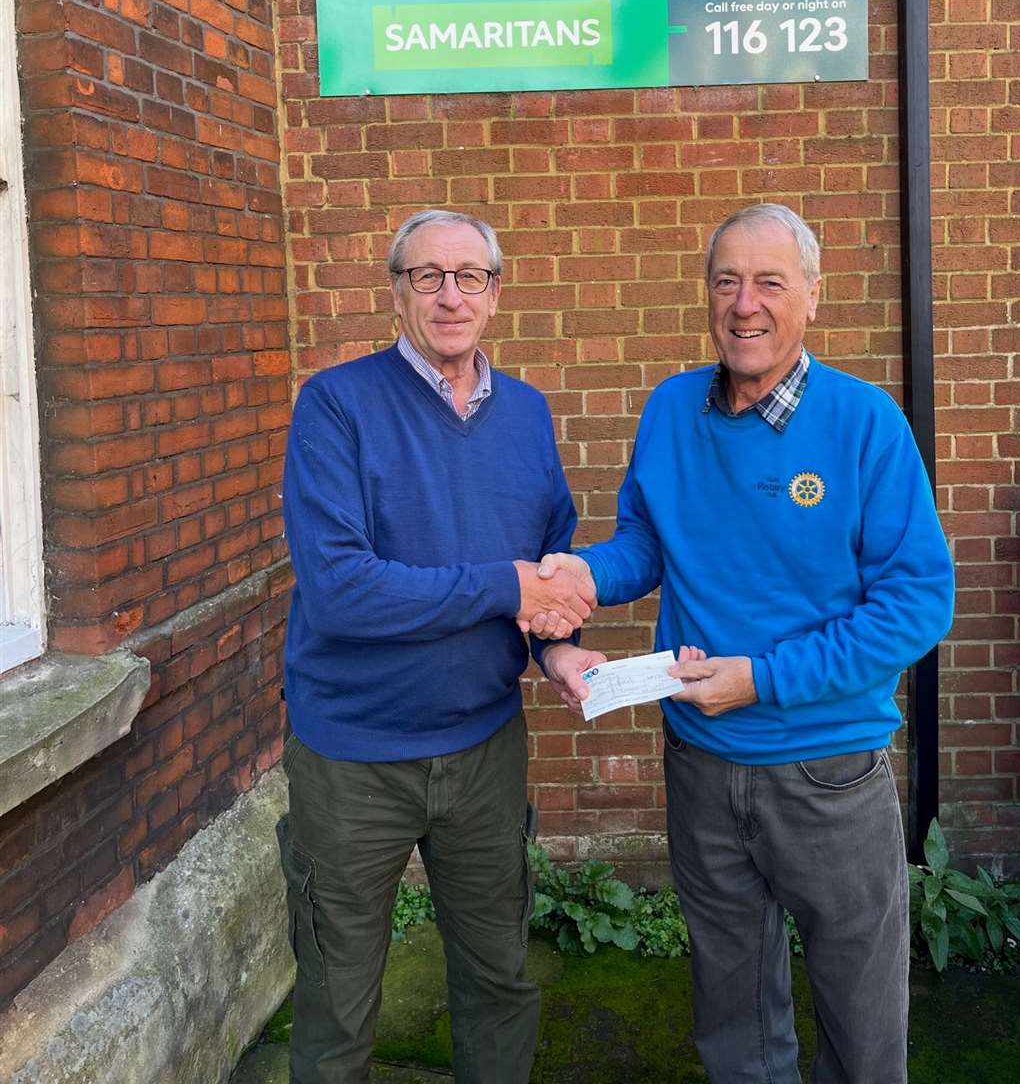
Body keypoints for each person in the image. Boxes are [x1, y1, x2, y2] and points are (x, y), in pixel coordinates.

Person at [536, 202, 954, 1084]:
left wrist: (764, 679)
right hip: (700, 763)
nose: (745, 302)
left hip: (828, 774)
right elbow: (649, 547)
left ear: (812, 296)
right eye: (727, 280)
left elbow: (917, 604)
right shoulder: (671, 407)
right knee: (734, 1020)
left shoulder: (864, 423)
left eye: (769, 281)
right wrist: (578, 576)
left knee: (862, 1020)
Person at [278, 208, 595, 1084]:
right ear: (397, 292)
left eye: (471, 276)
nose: (451, 295)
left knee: (498, 980)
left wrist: (560, 649)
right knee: (339, 1001)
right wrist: (508, 587)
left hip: (484, 751)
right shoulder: (336, 405)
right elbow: (341, 591)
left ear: (496, 292)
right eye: (428, 276)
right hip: (354, 759)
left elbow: (547, 559)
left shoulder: (526, 413)